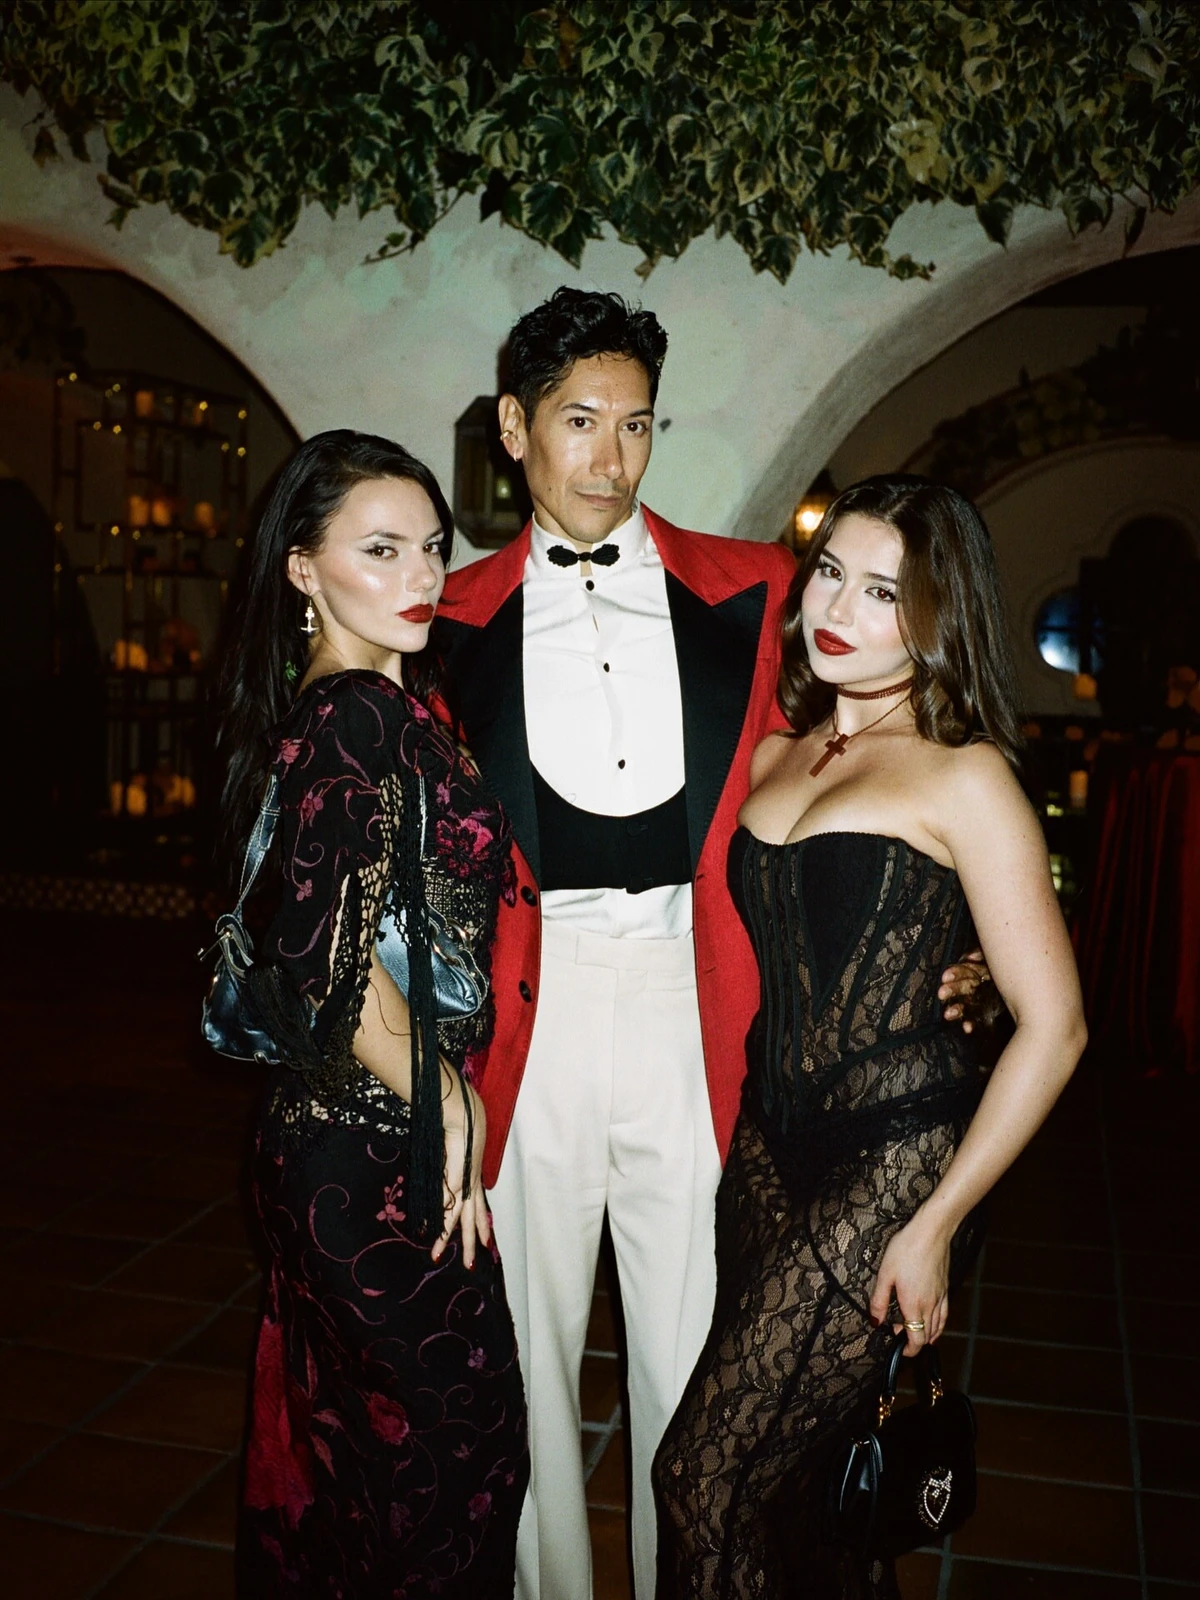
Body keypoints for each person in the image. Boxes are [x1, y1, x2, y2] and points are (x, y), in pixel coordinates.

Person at [436, 293, 990, 1600]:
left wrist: (961, 935)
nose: (612, 457)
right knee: (525, 1357)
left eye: (637, 425)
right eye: (580, 421)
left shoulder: (758, 590)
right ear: (514, 428)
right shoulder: (446, 618)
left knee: (700, 1358)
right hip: (532, 1010)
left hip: (700, 1001)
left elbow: (887, 742)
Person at [653, 475, 1088, 1599]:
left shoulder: (965, 772)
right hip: (767, 1147)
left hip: (898, 1162)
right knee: (806, 1502)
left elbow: (1057, 1026)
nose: (839, 607)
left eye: (885, 591)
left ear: (939, 616)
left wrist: (939, 1223)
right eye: (832, 573)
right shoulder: (774, 755)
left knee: (700, 1478)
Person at [220, 431, 528, 1597]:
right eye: (382, 549)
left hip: (340, 1143)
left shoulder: (360, 705)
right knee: (457, 1468)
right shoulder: (354, 711)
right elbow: (323, 955)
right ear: (303, 567)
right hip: (371, 1151)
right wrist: (447, 1102)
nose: (422, 575)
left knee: (368, 1466)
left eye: (432, 548)